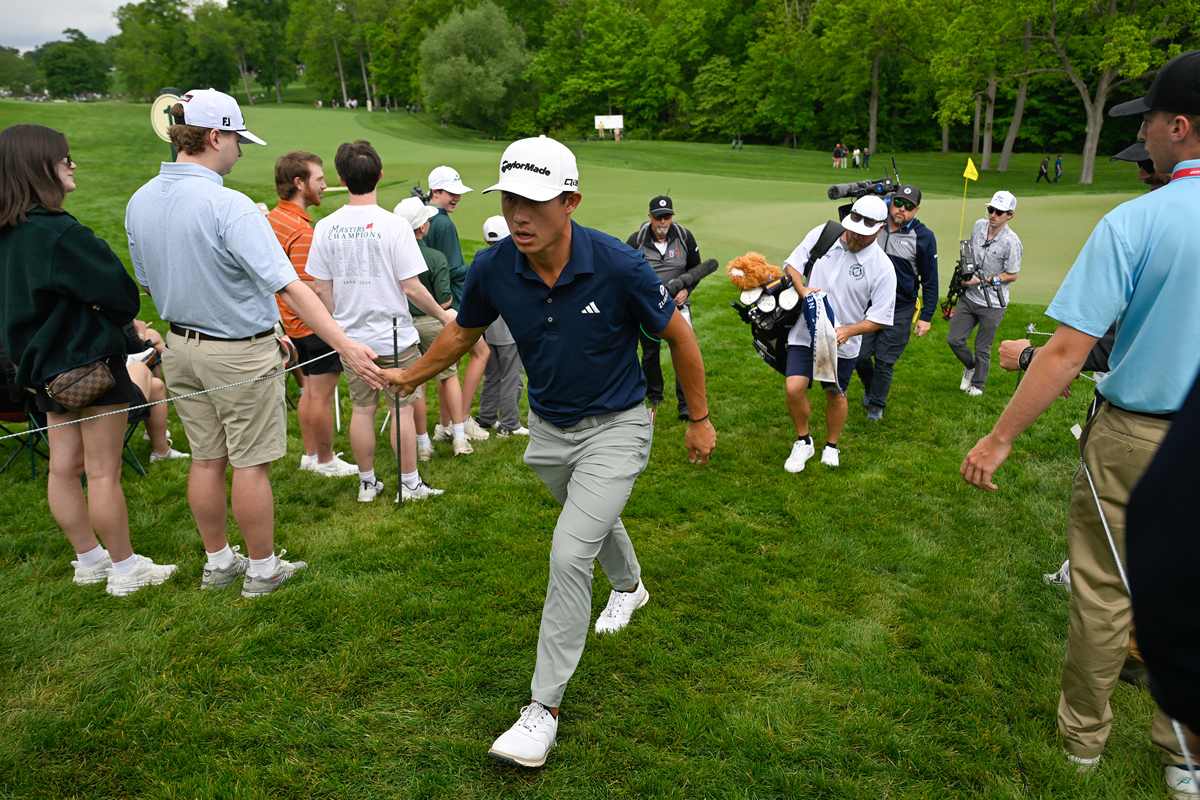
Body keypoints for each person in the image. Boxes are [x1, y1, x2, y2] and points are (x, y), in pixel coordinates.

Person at [381, 135, 716, 768]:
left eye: (534, 202)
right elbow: (461, 333)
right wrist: (408, 376)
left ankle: (543, 710)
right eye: (510, 199)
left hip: (619, 425)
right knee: (591, 521)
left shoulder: (619, 264)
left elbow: (680, 337)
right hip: (549, 428)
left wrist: (697, 419)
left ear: (571, 201)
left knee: (568, 552)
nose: (518, 215)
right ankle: (632, 586)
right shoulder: (493, 266)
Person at [960, 49, 1200, 797]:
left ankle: (1083, 745)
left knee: (1105, 591)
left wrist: (998, 438)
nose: (1149, 137)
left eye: (1153, 122)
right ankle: (1183, 755)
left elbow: (1067, 351)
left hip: (1142, 435)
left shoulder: (1139, 219)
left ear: (1181, 126)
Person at [126, 89, 384, 599]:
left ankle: (219, 563)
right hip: (237, 351)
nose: (241, 151)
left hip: (180, 346)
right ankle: (262, 571)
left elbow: (151, 285)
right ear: (214, 136)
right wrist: (347, 346)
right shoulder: (230, 204)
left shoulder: (140, 199)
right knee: (249, 462)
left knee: (205, 458)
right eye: (237, 139)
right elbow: (290, 286)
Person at [0, 123, 177, 596]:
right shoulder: (56, 232)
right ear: (41, 166)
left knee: (64, 466)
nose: (71, 164)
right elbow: (121, 296)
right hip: (89, 366)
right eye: (64, 158)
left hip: (38, 371)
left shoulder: (7, 233)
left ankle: (89, 559)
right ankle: (124, 570)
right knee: (101, 471)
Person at [306, 141, 457, 503]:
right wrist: (443, 315)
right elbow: (413, 288)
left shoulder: (326, 226)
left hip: (352, 338)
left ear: (341, 178)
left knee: (362, 409)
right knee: (401, 408)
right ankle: (409, 482)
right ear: (380, 175)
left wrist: (337, 326)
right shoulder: (394, 225)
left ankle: (368, 483)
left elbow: (320, 289)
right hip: (393, 336)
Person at [782, 195, 896, 473]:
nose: (855, 235)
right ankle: (804, 441)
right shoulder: (824, 234)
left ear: (880, 229)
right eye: (853, 227)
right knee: (793, 387)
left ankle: (831, 446)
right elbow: (792, 264)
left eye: (864, 233)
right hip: (804, 331)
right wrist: (802, 289)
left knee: (835, 394)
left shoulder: (883, 267)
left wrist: (849, 330)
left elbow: (881, 317)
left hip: (840, 343)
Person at [268, 150, 358, 478]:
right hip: (310, 329)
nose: (324, 185)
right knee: (320, 395)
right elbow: (312, 291)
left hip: (287, 325)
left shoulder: (275, 218)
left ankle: (311, 454)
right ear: (298, 182)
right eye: (319, 180)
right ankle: (325, 460)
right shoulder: (304, 231)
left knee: (308, 391)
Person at [392, 195, 474, 458]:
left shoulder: (391, 255)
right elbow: (445, 299)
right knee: (448, 375)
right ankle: (459, 438)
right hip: (431, 322)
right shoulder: (436, 257)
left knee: (415, 383)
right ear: (423, 227)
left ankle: (423, 443)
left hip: (403, 325)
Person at [855, 184, 938, 420]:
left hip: (900, 307)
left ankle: (876, 404)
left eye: (909, 206)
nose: (902, 209)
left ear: (917, 209)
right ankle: (870, 386)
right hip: (868, 304)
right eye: (898, 202)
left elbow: (930, 279)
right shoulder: (873, 224)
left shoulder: (923, 237)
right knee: (859, 356)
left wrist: (927, 316)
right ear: (890, 202)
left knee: (884, 359)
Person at [424, 165, 491, 443]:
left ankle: (444, 424)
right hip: (450, 302)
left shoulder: (420, 217)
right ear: (436, 191)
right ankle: (460, 418)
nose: (457, 198)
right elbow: (452, 270)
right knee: (481, 353)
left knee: (448, 363)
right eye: (451, 193)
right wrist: (479, 265)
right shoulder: (444, 223)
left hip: (427, 303)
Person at [625, 195, 706, 420]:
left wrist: (686, 291)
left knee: (684, 351)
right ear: (650, 216)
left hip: (678, 305)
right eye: (658, 217)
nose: (663, 221)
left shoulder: (684, 236)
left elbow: (696, 269)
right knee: (650, 353)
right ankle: (654, 395)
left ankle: (686, 405)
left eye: (667, 216)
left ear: (672, 217)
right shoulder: (636, 240)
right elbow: (625, 272)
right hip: (648, 306)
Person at [946, 190, 1021, 396]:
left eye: (999, 211)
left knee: (982, 347)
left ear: (1010, 215)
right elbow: (969, 252)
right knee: (954, 339)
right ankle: (971, 366)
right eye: (991, 209)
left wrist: (989, 280)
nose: (993, 215)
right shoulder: (979, 226)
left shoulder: (1012, 242)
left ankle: (978, 384)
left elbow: (1013, 275)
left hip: (993, 303)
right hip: (970, 296)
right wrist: (966, 274)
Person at [476, 215, 527, 436]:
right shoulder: (515, 261)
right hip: (510, 331)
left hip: (489, 330)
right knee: (512, 378)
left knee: (493, 375)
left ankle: (486, 418)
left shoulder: (481, 260)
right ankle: (509, 425)